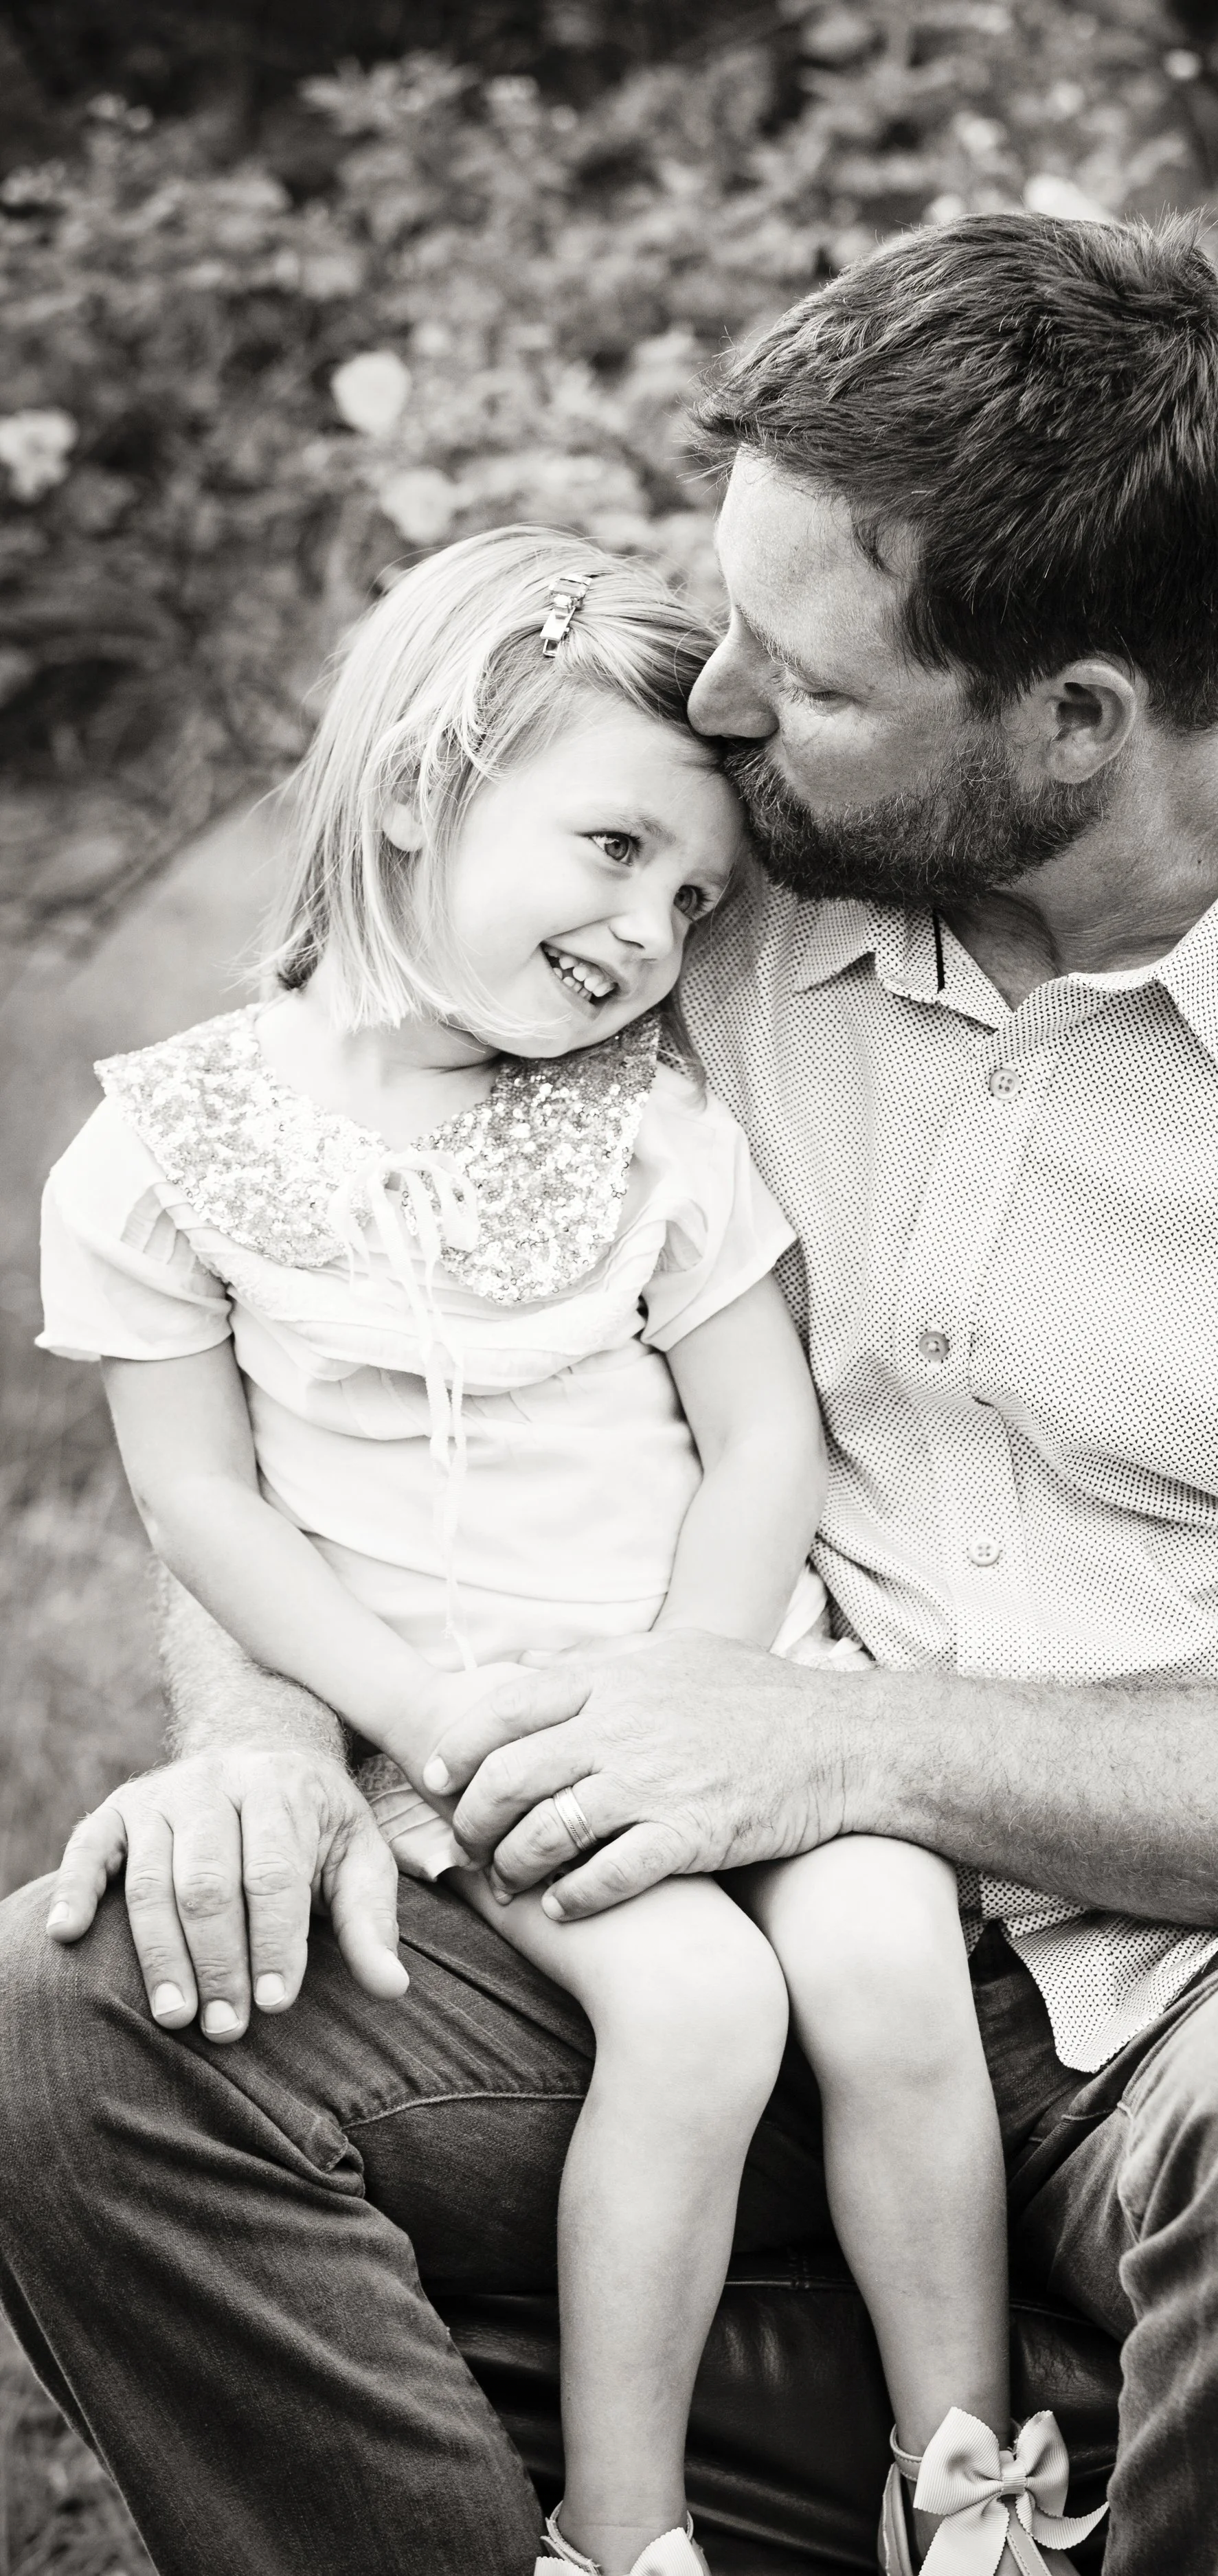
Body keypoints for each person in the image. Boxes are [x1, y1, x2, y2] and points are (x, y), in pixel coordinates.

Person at [1, 212, 1218, 2576]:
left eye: (795, 684)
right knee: (71, 2014)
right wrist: (267, 1746)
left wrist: (848, 1741)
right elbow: (319, 1344)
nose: (712, 716)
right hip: (709, 1924)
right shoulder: (698, 892)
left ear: (1076, 720)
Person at [27, 526, 1060, 2576]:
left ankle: (968, 2481)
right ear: (418, 786)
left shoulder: (642, 1126)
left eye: (689, 897)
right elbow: (201, 1496)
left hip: (740, 1681)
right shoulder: (165, 1154)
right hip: (470, 1730)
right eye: (607, 848)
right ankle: (624, 2524)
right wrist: (417, 1720)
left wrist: (688, 1691)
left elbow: (762, 1430)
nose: (646, 928)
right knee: (686, 2000)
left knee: (874, 1942)